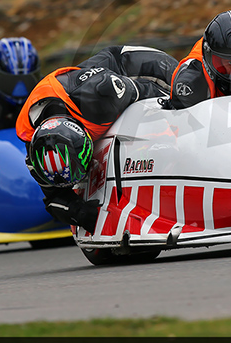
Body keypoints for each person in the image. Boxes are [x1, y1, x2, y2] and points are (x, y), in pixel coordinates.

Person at [16, 46, 178, 233]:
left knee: (186, 96)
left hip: (131, 68)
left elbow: (155, 95)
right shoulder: (32, 141)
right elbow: (54, 201)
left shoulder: (99, 98)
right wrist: (86, 216)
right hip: (77, 95)